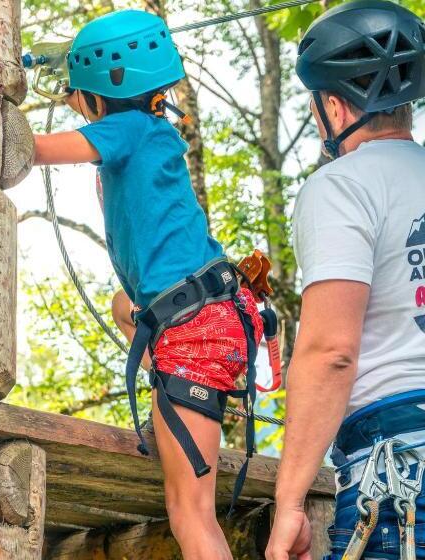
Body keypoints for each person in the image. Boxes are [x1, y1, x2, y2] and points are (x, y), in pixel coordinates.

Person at [33, 10, 264, 560]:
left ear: (97, 96)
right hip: (208, 317)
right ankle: (170, 379)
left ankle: (176, 383)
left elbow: (31, 150)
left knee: (191, 513)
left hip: (193, 329)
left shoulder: (127, 130)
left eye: (78, 95)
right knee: (124, 304)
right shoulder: (153, 131)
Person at [266, 1, 425, 559]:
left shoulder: (341, 186)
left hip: (399, 461)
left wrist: (289, 502)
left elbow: (331, 351)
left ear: (333, 107)